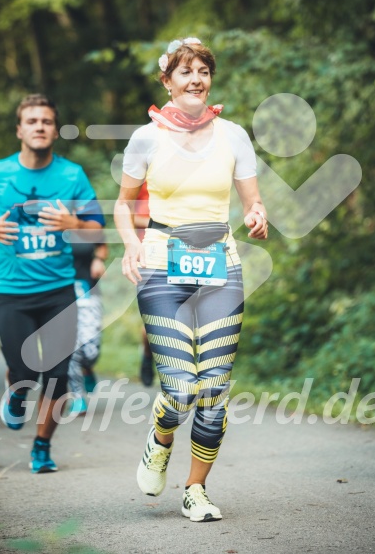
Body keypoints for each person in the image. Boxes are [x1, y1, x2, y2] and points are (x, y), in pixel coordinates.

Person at [114, 37, 268, 522]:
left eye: (203, 70)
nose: (196, 78)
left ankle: (195, 489)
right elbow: (123, 203)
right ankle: (160, 440)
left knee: (216, 385)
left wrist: (259, 214)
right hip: (162, 264)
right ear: (167, 80)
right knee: (180, 387)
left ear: (210, 79)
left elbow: (252, 202)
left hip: (221, 266)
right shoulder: (146, 138)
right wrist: (131, 243)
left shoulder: (234, 135)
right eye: (185, 71)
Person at [0, 93, 105, 473]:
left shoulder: (71, 175)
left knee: (58, 377)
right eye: (32, 121)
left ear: (54, 130)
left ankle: (42, 446)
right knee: (24, 372)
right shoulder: (0, 173)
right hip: (9, 292)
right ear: (19, 130)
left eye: (46, 121)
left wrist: (73, 225)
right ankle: (15, 396)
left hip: (58, 290)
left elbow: (97, 230)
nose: (39, 126)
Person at [68, 240, 108, 416]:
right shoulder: (43, 221)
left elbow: (102, 244)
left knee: (91, 350)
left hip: (88, 293)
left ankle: (87, 367)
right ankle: (78, 397)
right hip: (59, 297)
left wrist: (98, 259)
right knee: (69, 350)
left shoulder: (86, 222)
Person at [133, 182, 154, 387]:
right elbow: (130, 216)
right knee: (151, 320)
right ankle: (148, 356)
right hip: (149, 258)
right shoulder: (143, 182)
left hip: (187, 255)